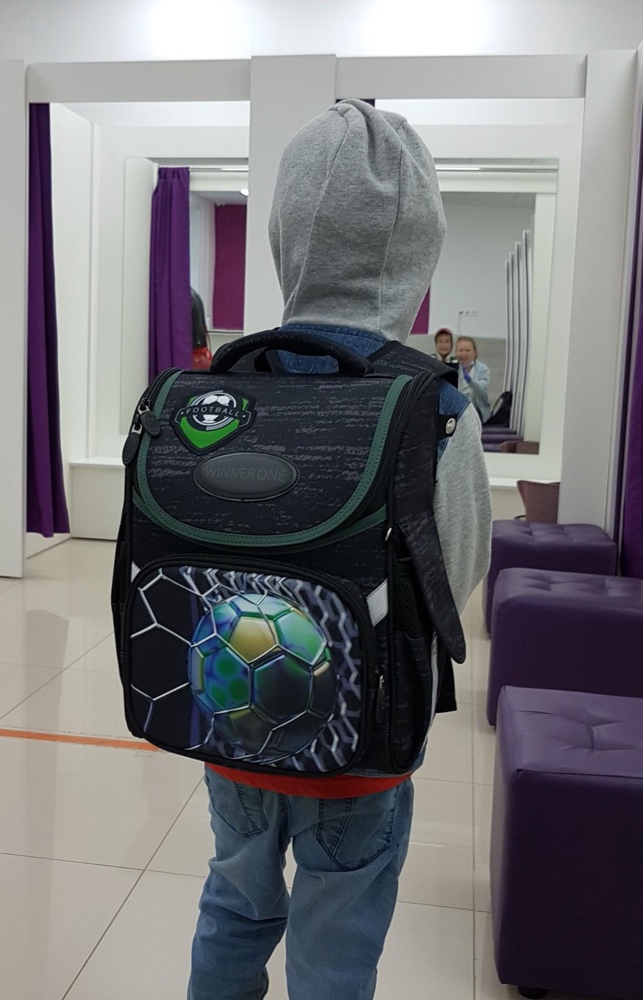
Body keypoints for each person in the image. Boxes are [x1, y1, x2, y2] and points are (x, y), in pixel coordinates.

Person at [188, 99, 491, 1000]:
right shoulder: (433, 404)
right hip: (362, 741)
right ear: (419, 243)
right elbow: (456, 576)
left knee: (232, 904)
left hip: (230, 717)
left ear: (285, 234)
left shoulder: (229, 384)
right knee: (336, 939)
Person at [456, 335, 491, 423]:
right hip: (457, 412)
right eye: (461, 350)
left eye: (468, 350)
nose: (464, 354)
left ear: (475, 353)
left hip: (477, 412)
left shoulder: (482, 369)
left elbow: (481, 390)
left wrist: (469, 380)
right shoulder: (453, 368)